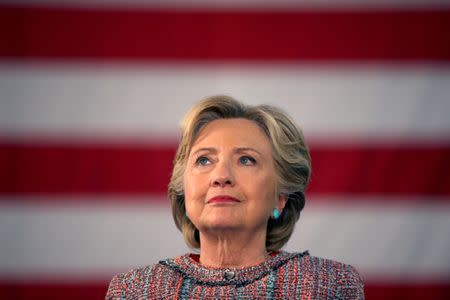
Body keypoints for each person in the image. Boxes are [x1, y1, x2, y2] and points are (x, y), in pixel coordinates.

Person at [106, 95, 364, 299]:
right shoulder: (133, 291)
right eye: (204, 159)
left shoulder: (330, 286)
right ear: (183, 193)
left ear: (281, 197)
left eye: (246, 160)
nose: (221, 176)